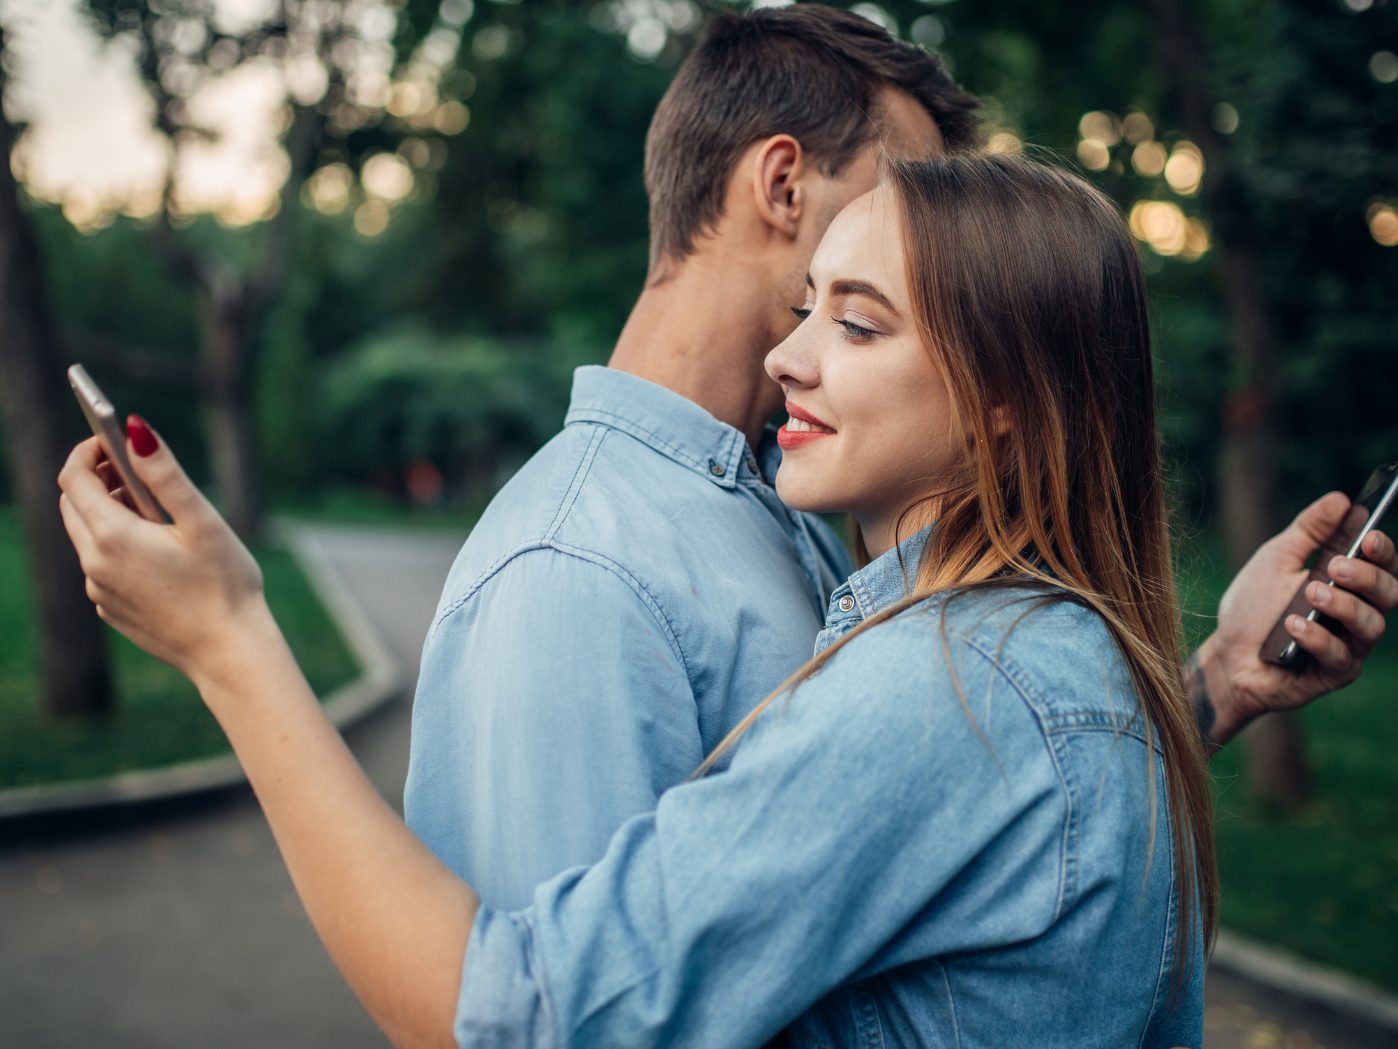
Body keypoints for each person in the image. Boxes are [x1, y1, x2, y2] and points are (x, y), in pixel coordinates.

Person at [66, 151, 1238, 1047]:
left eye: (860, 321)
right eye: (807, 305)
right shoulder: (1064, 662)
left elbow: (524, 1016)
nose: (789, 357)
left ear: (1005, 402)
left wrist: (229, 641)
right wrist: (1214, 683)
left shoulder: (955, 686)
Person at [404, 2, 1397, 914]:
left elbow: (923, 810)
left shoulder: (797, 493)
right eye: (898, 197)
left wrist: (1219, 678)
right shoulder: (576, 565)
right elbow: (540, 1003)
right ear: (783, 183)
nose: (922, 237)